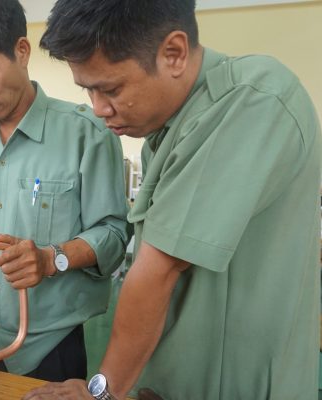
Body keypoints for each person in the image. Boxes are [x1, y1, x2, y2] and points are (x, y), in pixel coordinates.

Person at [24, 0, 322, 399]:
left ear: (174, 54)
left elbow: (158, 271)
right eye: (88, 90)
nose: (98, 109)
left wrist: (101, 392)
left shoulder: (254, 99)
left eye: (110, 89)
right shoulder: (164, 134)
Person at [0, 0, 132, 382]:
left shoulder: (86, 134)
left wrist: (51, 258)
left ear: (21, 52)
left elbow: (112, 234)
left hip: (50, 346)